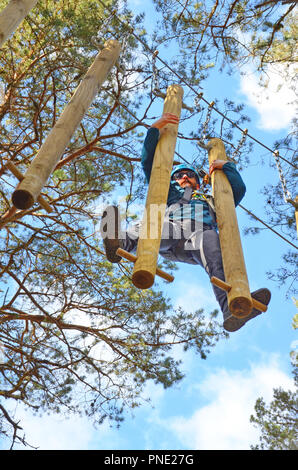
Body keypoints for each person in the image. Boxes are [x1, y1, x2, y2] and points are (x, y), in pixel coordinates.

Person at [100, 113, 271, 332]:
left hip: (199, 235)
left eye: (189, 175)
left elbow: (238, 190)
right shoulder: (169, 192)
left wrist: (227, 167)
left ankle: (233, 307)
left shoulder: (213, 200)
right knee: (153, 224)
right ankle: (120, 244)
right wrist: (154, 131)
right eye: (179, 175)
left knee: (215, 252)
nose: (185, 178)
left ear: (198, 182)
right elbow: (148, 163)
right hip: (172, 231)